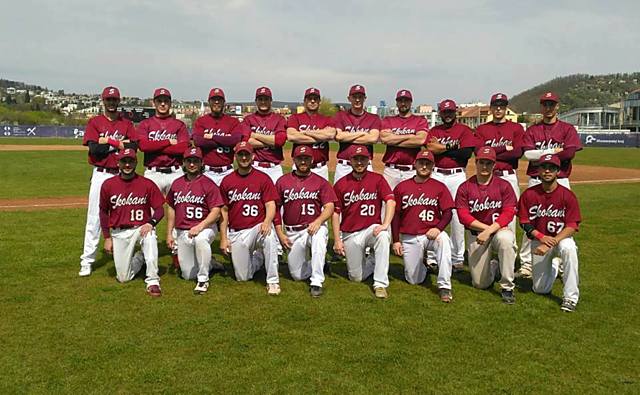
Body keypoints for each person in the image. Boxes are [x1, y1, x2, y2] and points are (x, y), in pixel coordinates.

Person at [518, 92, 583, 278]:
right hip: (535, 180)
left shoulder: (567, 129)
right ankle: (527, 264)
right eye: (545, 104)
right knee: (529, 222)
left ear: (557, 106)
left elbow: (569, 153)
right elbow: (528, 155)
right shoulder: (532, 130)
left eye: (551, 104)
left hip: (560, 179)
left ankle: (563, 263)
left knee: (563, 221)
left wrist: (541, 155)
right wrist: (553, 152)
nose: (548, 108)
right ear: (541, 107)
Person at [79, 86, 137, 277]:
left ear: (118, 101)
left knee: (124, 215)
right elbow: (95, 150)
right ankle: (87, 260)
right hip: (101, 174)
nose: (111, 103)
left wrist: (108, 142)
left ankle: (124, 255)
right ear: (103, 101)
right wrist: (118, 145)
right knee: (95, 217)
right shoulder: (95, 122)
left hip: (121, 175)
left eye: (114, 100)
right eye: (108, 100)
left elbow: (134, 146)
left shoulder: (126, 123)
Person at [518, 154, 582, 312]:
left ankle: (570, 298)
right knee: (540, 289)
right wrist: (542, 238)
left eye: (551, 168)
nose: (547, 171)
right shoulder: (529, 194)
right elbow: (524, 222)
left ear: (558, 171)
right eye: (544, 167)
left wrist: (551, 242)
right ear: (538, 170)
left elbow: (572, 225)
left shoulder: (567, 195)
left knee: (569, 249)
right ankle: (554, 265)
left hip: (561, 238)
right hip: (539, 240)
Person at [455, 147, 518, 304]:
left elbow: (509, 212)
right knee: (479, 284)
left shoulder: (504, 186)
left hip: (498, 231)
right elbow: (463, 216)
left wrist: (491, 230)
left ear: (494, 165)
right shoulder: (465, 187)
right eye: (481, 162)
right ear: (475, 163)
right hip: (477, 234)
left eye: (488, 163)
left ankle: (507, 287)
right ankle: (494, 267)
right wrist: (486, 230)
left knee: (506, 240)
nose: (484, 166)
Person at [332, 144, 395, 299]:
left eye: (363, 159)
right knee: (356, 277)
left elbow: (391, 201)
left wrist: (385, 225)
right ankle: (373, 261)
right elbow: (335, 213)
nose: (359, 162)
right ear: (350, 160)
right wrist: (337, 240)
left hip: (370, 229)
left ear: (369, 160)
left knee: (383, 236)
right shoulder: (341, 183)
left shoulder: (377, 179)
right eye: (356, 159)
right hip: (350, 233)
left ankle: (380, 284)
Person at [99, 148, 165, 296]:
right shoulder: (108, 185)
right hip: (119, 231)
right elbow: (103, 212)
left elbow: (160, 209)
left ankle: (153, 281)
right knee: (123, 278)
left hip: (141, 228)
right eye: (124, 161)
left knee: (150, 237)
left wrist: (151, 223)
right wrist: (107, 237)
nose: (127, 165)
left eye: (130, 161)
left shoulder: (147, 183)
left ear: (136, 162)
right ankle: (140, 257)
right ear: (118, 163)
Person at [391, 150, 455, 302]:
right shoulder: (402, 187)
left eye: (428, 163)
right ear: (415, 164)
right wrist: (396, 240)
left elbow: (448, 212)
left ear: (433, 166)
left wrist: (439, 228)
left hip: (432, 233)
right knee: (414, 279)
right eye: (421, 162)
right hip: (410, 235)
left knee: (444, 240)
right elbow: (396, 215)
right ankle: (424, 266)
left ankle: (444, 286)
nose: (424, 166)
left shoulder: (440, 187)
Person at [219, 142, 281, 295]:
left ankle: (273, 281)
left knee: (270, 235)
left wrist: (267, 222)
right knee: (243, 277)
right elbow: (224, 211)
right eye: (241, 154)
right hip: (237, 232)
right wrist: (223, 238)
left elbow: (270, 204)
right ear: (235, 157)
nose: (244, 157)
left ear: (253, 156)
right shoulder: (227, 181)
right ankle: (259, 258)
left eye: (247, 154)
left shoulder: (263, 178)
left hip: (257, 227)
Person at [274, 146, 337, 297]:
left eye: (306, 158)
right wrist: (280, 234)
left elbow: (330, 206)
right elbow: (275, 209)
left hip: (312, 227)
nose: (303, 161)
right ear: (293, 160)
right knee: (297, 276)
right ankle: (319, 263)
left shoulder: (321, 182)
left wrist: (318, 221)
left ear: (312, 160)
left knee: (319, 237)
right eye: (300, 158)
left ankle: (316, 282)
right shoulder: (283, 181)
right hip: (292, 231)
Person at [425, 99, 478, 271]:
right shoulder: (434, 130)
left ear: (455, 112)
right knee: (433, 213)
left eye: (450, 112)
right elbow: (430, 148)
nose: (447, 115)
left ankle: (457, 257)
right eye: (444, 112)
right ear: (440, 113)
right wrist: (452, 145)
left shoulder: (464, 130)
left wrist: (442, 147)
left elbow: (465, 153)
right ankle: (432, 255)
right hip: (437, 173)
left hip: (457, 175)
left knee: (457, 217)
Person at [166, 147, 224, 294]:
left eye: (195, 161)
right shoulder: (177, 183)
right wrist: (169, 233)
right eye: (189, 161)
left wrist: (200, 226)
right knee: (187, 275)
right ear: (184, 163)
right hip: (182, 230)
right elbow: (171, 208)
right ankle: (210, 263)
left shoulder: (208, 184)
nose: (192, 164)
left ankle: (203, 280)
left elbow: (216, 212)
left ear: (201, 163)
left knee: (200, 240)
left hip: (205, 228)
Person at [475, 93, 524, 231]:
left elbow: (517, 153)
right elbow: (479, 153)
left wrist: (489, 152)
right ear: (491, 108)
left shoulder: (516, 128)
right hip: (488, 176)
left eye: (501, 106)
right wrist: (504, 148)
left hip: (509, 176)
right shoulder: (482, 129)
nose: (498, 109)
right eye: (495, 106)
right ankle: (485, 247)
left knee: (510, 213)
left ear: (505, 108)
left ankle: (509, 249)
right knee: (485, 211)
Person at [136, 88, 190, 195]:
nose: (163, 104)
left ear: (170, 103)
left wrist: (155, 147)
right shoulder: (145, 124)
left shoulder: (179, 124)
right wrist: (168, 142)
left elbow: (183, 148)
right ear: (154, 103)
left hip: (175, 171)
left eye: (166, 101)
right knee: (151, 209)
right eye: (159, 101)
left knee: (177, 208)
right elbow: (143, 146)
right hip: (152, 172)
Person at [192, 87, 245, 186]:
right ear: (209, 102)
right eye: (213, 100)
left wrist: (212, 137)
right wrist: (225, 139)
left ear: (224, 102)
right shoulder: (201, 121)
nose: (216, 102)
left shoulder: (233, 122)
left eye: (219, 100)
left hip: (227, 171)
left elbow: (235, 140)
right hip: (206, 172)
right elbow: (198, 141)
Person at [380, 89, 429, 189]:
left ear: (411, 102)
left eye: (406, 100)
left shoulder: (420, 120)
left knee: (411, 202)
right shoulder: (388, 120)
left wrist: (394, 139)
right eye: (400, 101)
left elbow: (421, 140)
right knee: (388, 201)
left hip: (412, 170)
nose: (403, 103)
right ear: (396, 103)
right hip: (391, 170)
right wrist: (410, 136)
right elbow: (385, 139)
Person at [285, 87, 336, 180]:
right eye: (309, 99)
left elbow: (330, 135)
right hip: (299, 167)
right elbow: (291, 136)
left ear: (319, 101)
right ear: (304, 101)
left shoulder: (327, 119)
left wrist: (304, 133)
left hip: (320, 169)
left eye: (315, 99)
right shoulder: (295, 117)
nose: (312, 101)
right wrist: (321, 135)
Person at [333, 84, 381, 182]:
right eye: (354, 97)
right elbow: (339, 136)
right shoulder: (340, 116)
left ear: (365, 98)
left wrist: (348, 136)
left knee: (367, 196)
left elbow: (373, 139)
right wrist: (362, 133)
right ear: (349, 98)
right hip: (344, 166)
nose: (357, 100)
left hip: (365, 165)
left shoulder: (373, 118)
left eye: (360, 97)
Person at [239, 86, 287, 183]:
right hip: (254, 166)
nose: (263, 102)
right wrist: (271, 141)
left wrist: (255, 135)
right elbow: (246, 142)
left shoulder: (279, 119)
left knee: (276, 198)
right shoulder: (248, 119)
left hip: (274, 169)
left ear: (271, 101)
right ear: (256, 101)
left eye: (266, 99)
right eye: (260, 99)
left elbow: (280, 141)